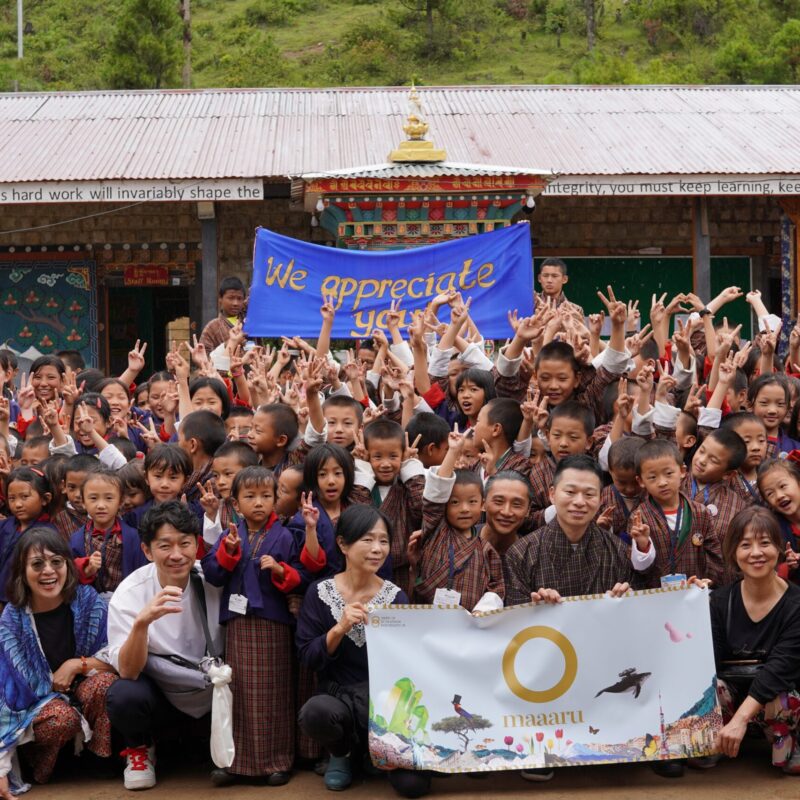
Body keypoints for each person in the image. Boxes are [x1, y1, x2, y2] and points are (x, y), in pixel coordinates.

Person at [296, 505, 430, 797]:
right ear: (343, 544)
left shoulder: (395, 597)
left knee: (414, 787)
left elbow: (406, 663)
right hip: (338, 697)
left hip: (383, 703)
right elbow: (308, 655)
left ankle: (374, 752)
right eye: (367, 540)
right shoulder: (319, 593)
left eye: (383, 541)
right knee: (316, 713)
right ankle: (341, 754)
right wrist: (339, 627)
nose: (377, 549)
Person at [104, 500, 224, 790]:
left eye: (185, 543)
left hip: (217, 694)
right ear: (146, 550)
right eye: (165, 546)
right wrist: (141, 624)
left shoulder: (214, 581)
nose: (177, 555)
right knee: (123, 694)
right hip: (163, 699)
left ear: (197, 545)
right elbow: (129, 671)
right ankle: (141, 748)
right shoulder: (131, 593)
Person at [201, 466, 302, 786]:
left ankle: (277, 761)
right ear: (235, 501)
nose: (258, 503)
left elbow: (300, 577)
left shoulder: (285, 535)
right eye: (250, 496)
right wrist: (229, 553)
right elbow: (215, 575)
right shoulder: (231, 532)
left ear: (275, 499)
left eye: (265, 496)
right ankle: (235, 762)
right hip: (239, 625)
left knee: (274, 691)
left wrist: (280, 569)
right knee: (237, 690)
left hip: (273, 623)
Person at [0, 528, 116, 793]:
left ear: (67, 565)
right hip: (37, 708)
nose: (48, 571)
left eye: (56, 562)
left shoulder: (88, 602)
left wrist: (76, 664)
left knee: (105, 683)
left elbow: (116, 658)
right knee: (61, 718)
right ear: (22, 571)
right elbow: (5, 696)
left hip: (81, 688)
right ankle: (43, 764)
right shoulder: (13, 619)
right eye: (37, 564)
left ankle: (98, 759)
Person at [711, 506, 800, 775]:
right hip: (734, 691)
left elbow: (779, 669)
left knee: (784, 699)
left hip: (775, 694)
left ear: (780, 548)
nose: (756, 553)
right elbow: (707, 662)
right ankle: (717, 739)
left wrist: (741, 719)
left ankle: (786, 740)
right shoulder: (718, 601)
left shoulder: (796, 604)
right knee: (711, 686)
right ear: (733, 554)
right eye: (745, 545)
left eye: (765, 543)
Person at [199, 276, 247, 354]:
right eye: (231, 298)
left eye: (239, 298)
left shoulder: (249, 322)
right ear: (220, 299)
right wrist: (229, 343)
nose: (235, 303)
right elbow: (203, 358)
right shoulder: (212, 327)